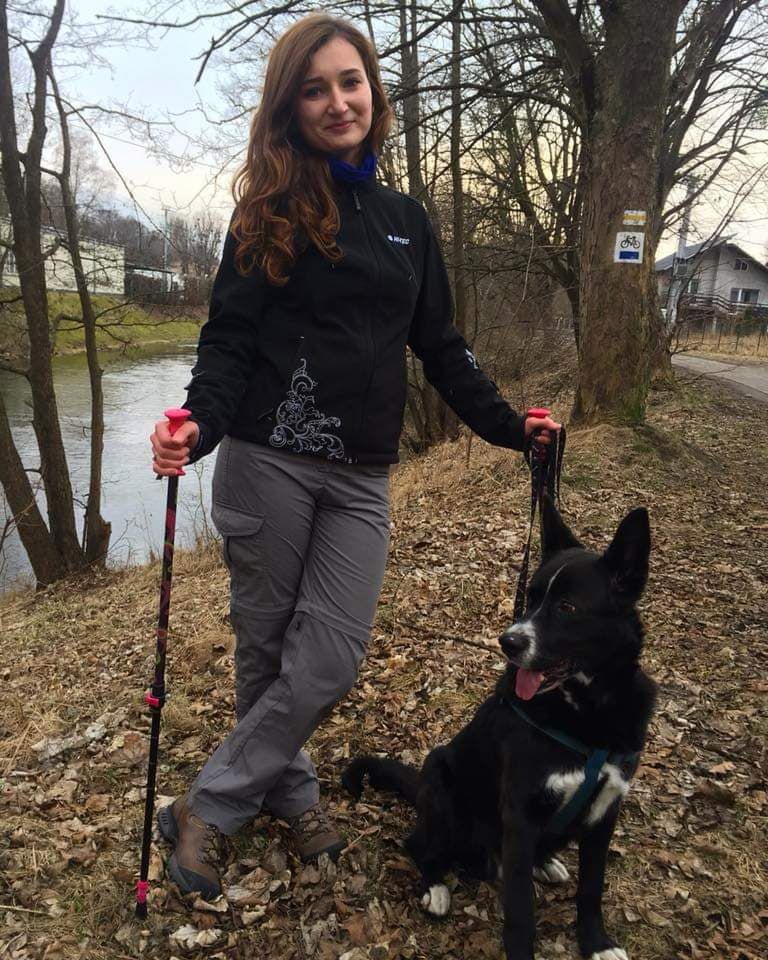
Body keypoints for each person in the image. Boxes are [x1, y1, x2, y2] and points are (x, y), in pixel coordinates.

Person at [150, 12, 560, 901]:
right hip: (269, 462)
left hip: (363, 476)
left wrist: (505, 424)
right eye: (315, 87)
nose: (338, 101)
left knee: (328, 660)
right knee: (269, 654)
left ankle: (208, 806)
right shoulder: (270, 212)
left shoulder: (408, 220)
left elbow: (441, 346)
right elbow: (227, 343)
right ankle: (288, 795)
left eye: (350, 81)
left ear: (374, 92)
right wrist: (194, 423)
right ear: (291, 108)